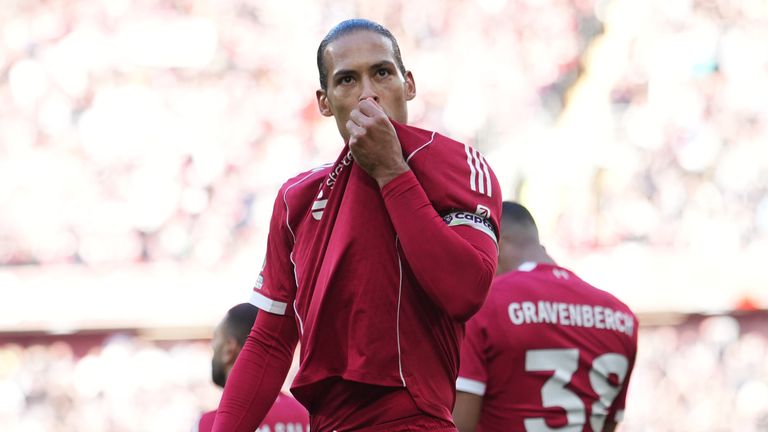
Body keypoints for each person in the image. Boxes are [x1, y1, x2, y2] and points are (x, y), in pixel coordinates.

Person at [212, 18, 502, 432]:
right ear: (325, 101)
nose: (368, 94)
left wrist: (392, 173)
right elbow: (270, 342)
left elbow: (465, 291)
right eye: (347, 80)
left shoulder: (458, 165)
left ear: (409, 84)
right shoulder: (297, 198)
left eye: (382, 72)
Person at [453, 202, 638, 432]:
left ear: (496, 245)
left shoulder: (486, 303)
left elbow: (460, 425)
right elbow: (608, 423)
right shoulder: (622, 318)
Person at [195, 303, 309, 432]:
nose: (212, 346)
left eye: (215, 337)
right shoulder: (305, 415)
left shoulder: (207, 425)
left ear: (229, 349)